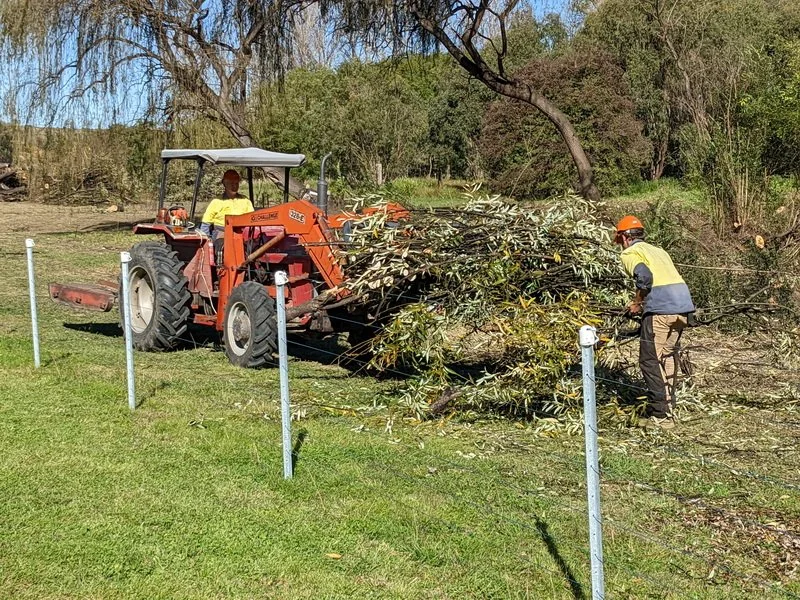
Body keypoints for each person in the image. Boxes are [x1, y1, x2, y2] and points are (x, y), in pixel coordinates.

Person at [614, 215, 695, 429]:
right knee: (667, 355)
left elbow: (644, 277)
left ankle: (661, 415)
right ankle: (668, 406)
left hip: (661, 310)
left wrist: (637, 302)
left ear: (624, 237)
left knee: (649, 360)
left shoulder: (630, 253)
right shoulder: (658, 251)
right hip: (683, 308)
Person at [199, 169, 254, 240]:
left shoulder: (245, 200)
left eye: (236, 183)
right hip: (221, 232)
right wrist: (205, 241)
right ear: (224, 184)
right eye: (231, 183)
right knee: (224, 242)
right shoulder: (216, 201)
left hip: (242, 232)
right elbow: (206, 223)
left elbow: (253, 218)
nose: (234, 186)